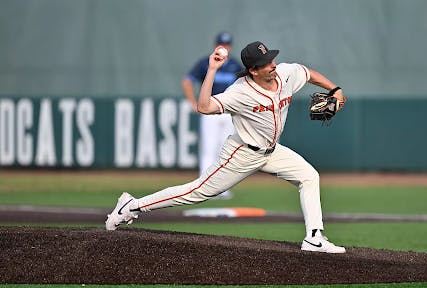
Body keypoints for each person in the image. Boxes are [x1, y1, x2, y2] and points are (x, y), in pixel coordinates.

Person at [106, 41, 347, 253]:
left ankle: (314, 237)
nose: (272, 64)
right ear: (253, 70)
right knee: (196, 192)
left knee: (309, 176)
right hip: (242, 153)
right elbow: (204, 107)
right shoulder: (240, 91)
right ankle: (133, 205)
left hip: (272, 151)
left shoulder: (285, 74)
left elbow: (307, 73)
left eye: (271, 58)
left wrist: (334, 89)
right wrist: (212, 69)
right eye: (265, 63)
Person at [182, 32, 243, 199]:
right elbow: (187, 81)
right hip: (209, 111)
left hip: (228, 112)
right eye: (222, 44)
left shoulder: (236, 65)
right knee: (208, 149)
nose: (225, 47)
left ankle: (222, 187)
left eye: (227, 45)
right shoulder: (205, 63)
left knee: (225, 150)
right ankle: (204, 187)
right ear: (216, 45)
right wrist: (192, 102)